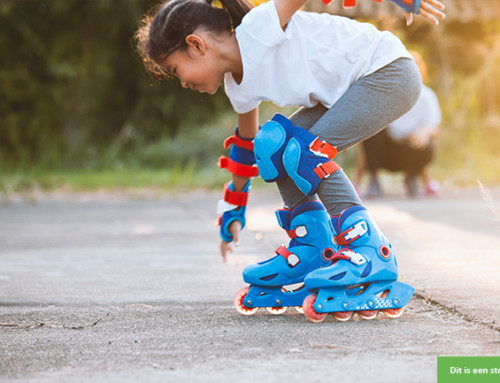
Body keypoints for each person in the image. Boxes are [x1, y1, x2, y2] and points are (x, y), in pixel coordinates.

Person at [135, 0, 445, 321]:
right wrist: (233, 209)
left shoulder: (259, 26)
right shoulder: (237, 87)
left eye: (175, 71)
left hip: (387, 72)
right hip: (346, 91)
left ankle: (371, 252)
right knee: (272, 146)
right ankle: (313, 249)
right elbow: (246, 145)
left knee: (306, 153)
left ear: (196, 44)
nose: (183, 83)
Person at [353, 51, 442, 198]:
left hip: (410, 149)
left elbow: (434, 128)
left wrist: (424, 132)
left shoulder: (427, 96)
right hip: (387, 152)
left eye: (417, 64)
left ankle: (412, 177)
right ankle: (373, 180)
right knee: (370, 129)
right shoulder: (386, 94)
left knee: (426, 142)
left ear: (422, 69)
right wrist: (356, 181)